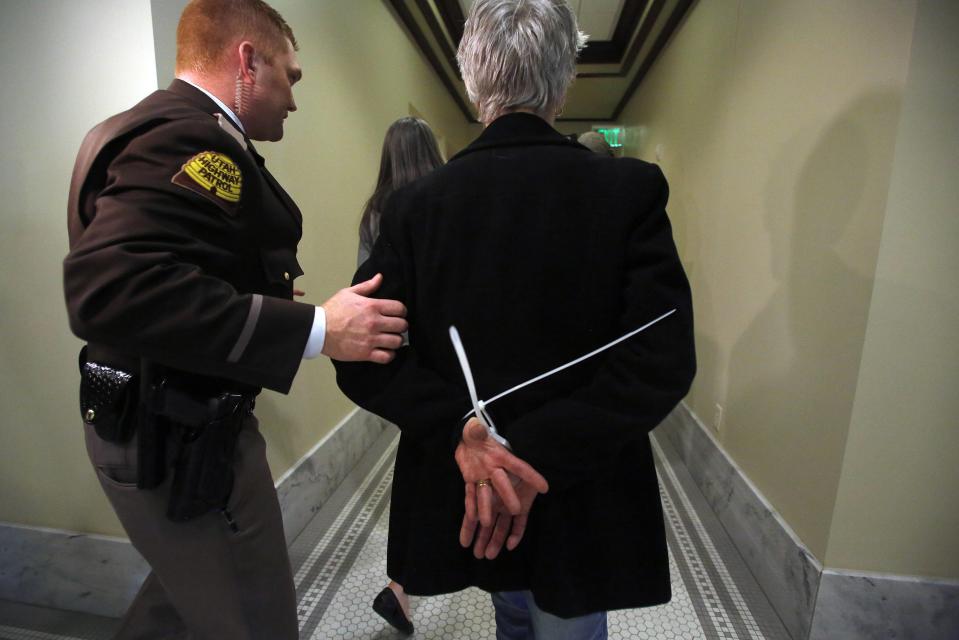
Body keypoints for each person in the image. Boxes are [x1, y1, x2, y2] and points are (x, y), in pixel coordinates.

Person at [333, 0, 696, 638]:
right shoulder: (627, 191)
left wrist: (469, 438)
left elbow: (366, 358)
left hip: (469, 485)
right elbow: (661, 361)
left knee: (512, 611)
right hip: (584, 485)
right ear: (565, 78)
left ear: (473, 81)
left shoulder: (415, 207)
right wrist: (534, 455)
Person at [63, 1, 407, 638]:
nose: (294, 101)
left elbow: (170, 265)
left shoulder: (123, 128)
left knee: (180, 597)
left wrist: (254, 291)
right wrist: (317, 329)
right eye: (292, 76)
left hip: (143, 420)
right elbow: (112, 289)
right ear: (248, 61)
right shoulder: (189, 138)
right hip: (178, 437)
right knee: (255, 618)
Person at [358, 116, 444, 635]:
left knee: (417, 468)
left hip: (400, 361)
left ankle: (401, 586)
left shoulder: (376, 214)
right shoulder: (447, 202)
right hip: (446, 357)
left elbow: (367, 289)